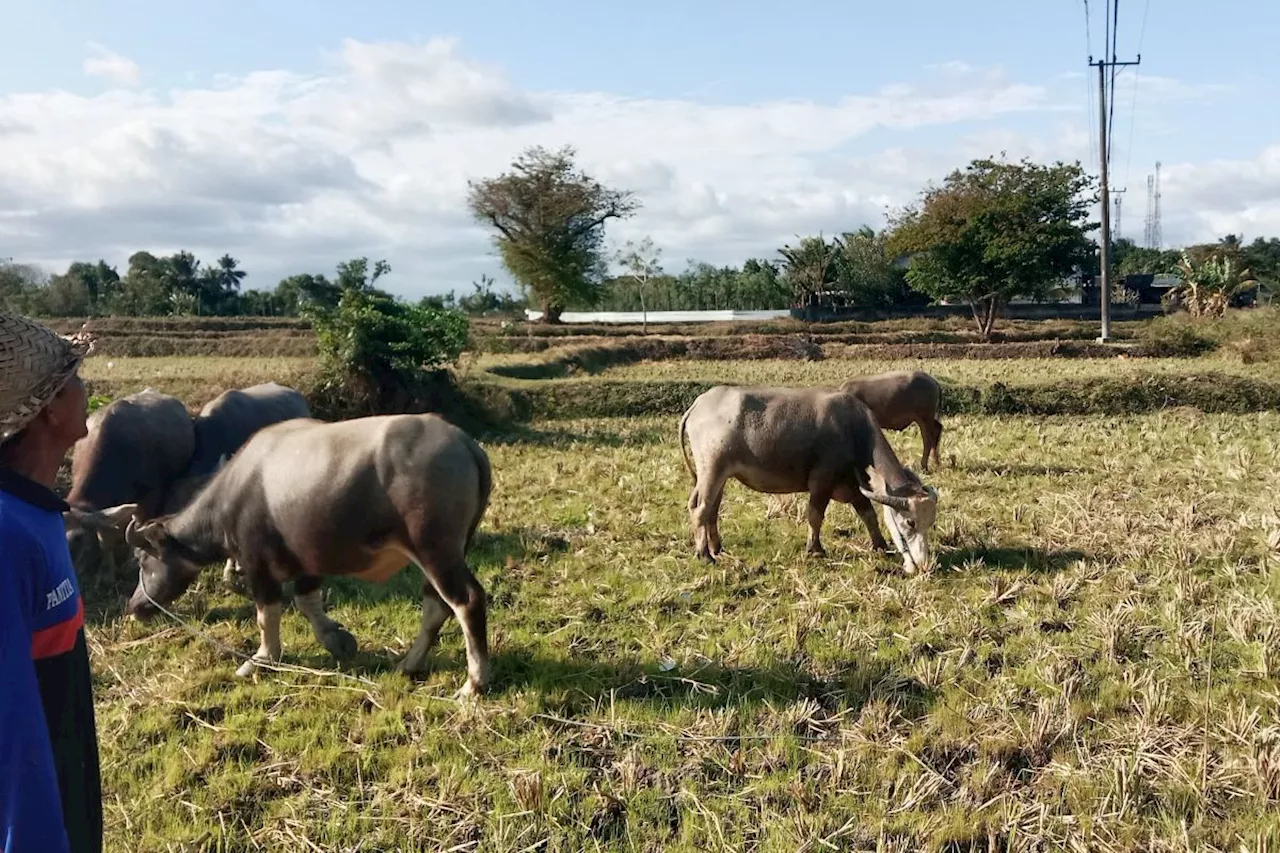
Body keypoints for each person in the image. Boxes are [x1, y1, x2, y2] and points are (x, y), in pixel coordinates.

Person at [1, 311, 101, 853]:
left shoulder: (34, 514)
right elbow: (9, 727)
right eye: (75, 380)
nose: (88, 390)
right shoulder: (6, 535)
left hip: (69, 781)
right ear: (46, 411)